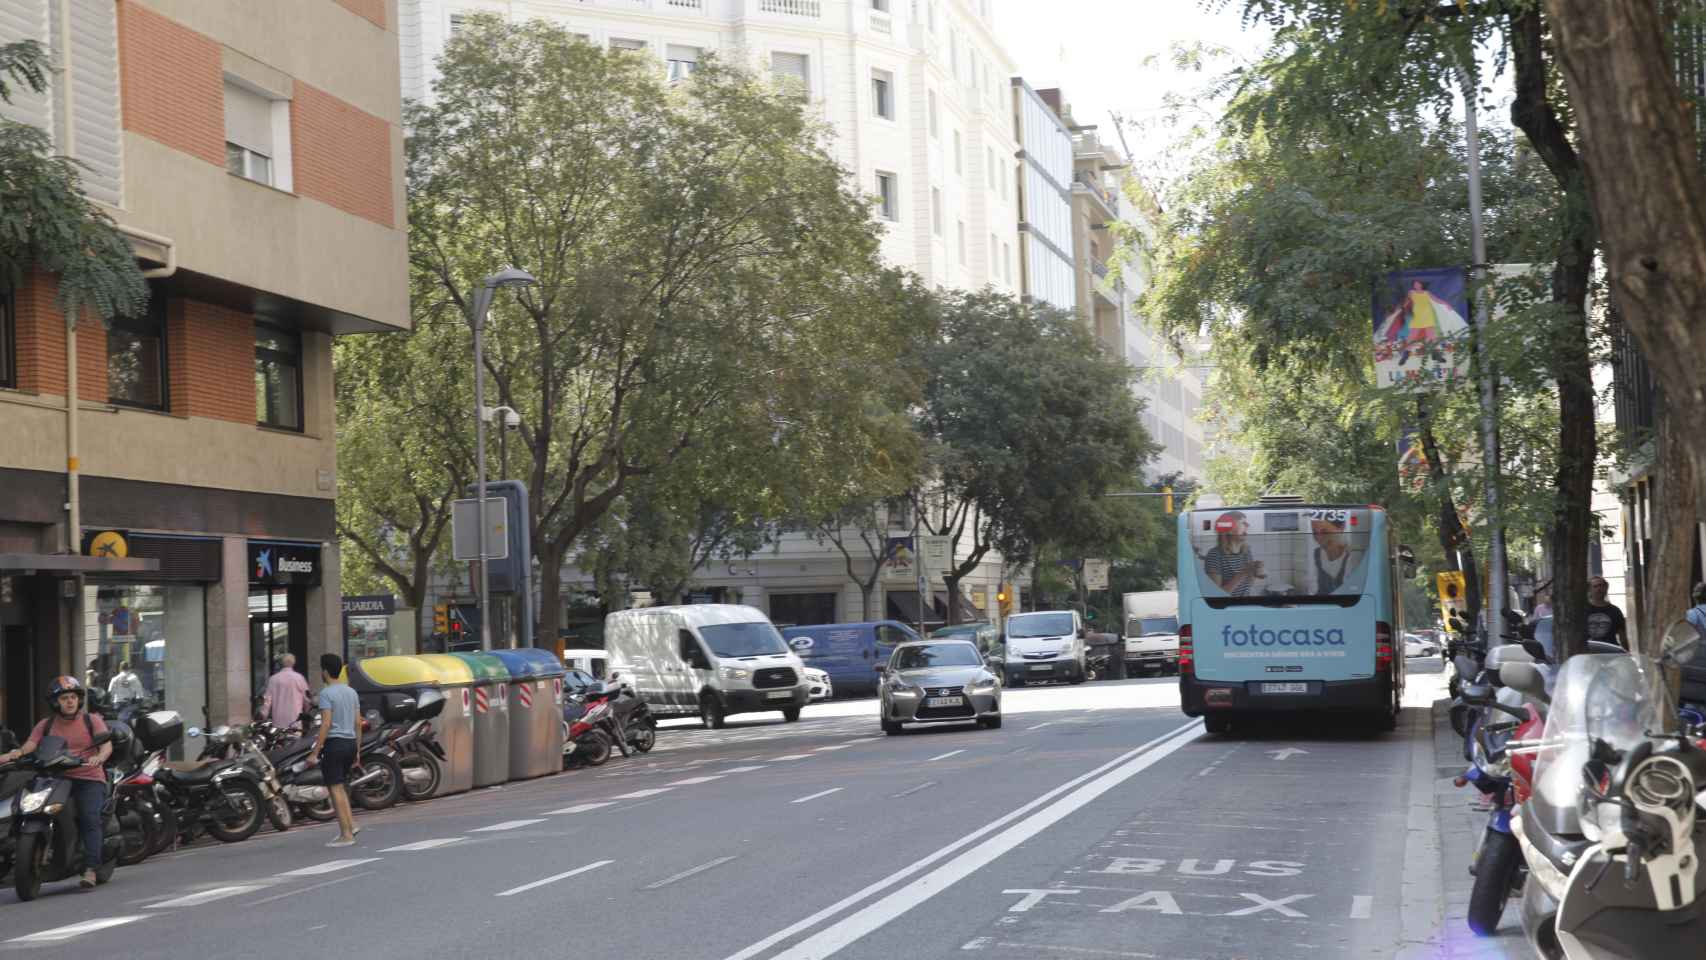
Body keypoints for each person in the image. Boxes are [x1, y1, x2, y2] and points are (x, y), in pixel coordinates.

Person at [0, 677, 113, 888]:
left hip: (88, 777)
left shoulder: (92, 720)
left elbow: (106, 746)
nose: (69, 702)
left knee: (89, 819)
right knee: (29, 808)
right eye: (64, 698)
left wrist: (99, 757)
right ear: (55, 702)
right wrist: (13, 754)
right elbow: (30, 745)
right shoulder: (46, 724)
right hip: (55, 777)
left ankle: (90, 869)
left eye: (73, 697)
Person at [306, 653, 361, 847]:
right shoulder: (351, 692)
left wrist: (315, 752)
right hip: (350, 743)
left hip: (335, 744)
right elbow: (358, 723)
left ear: (325, 671)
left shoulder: (326, 694)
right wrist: (358, 752)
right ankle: (351, 825)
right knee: (341, 787)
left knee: (335, 788)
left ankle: (346, 835)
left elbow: (326, 724)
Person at [1204, 511, 1262, 597]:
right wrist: (1243, 573)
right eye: (1243, 523)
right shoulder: (1215, 555)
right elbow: (1216, 596)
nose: (1248, 525)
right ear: (1229, 530)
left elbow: (1248, 584)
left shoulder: (1246, 551)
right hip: (1228, 608)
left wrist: (1256, 572)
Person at [1305, 517, 1365, 595]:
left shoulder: (1352, 556)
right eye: (1314, 532)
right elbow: (1312, 588)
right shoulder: (1316, 554)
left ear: (1341, 528)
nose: (1319, 538)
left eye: (1324, 532)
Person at [260, 653, 311, 732]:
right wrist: (307, 712)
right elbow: (306, 699)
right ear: (293, 663)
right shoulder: (299, 678)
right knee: (295, 743)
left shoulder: (273, 679)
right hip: (295, 720)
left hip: (278, 721)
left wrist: (263, 714)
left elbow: (267, 700)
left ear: (280, 663)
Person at [1585, 577, 1629, 650]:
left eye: (1601, 585)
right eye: (1595, 586)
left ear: (1606, 588)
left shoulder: (1615, 611)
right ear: (1589, 590)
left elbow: (1623, 636)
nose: (1599, 589)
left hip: (1610, 651)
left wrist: (1627, 653)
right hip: (1589, 652)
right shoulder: (1583, 611)